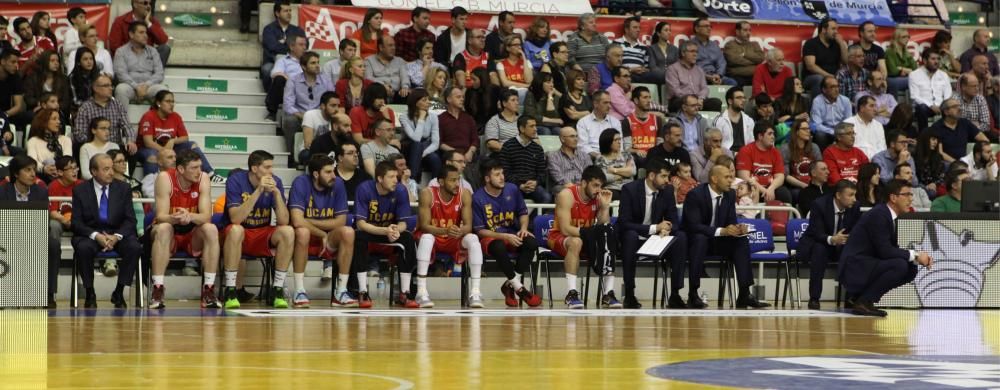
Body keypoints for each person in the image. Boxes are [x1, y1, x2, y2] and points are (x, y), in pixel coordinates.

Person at [840, 179, 933, 316]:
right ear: (893, 198)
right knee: (899, 265)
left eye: (911, 195)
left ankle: (863, 299)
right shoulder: (879, 214)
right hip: (855, 266)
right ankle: (863, 301)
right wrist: (917, 255)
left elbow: (889, 250)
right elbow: (885, 251)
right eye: (906, 195)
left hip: (867, 263)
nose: (910, 199)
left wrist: (915, 259)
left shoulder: (887, 215)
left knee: (910, 267)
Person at [683, 165, 770, 309]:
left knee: (741, 240)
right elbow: (693, 226)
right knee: (700, 239)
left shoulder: (729, 194)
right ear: (714, 179)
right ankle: (693, 294)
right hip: (696, 241)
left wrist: (738, 228)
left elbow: (730, 221)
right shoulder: (695, 195)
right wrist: (722, 231)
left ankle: (744, 294)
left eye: (731, 177)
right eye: (727, 177)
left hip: (719, 241)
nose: (731, 181)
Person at [220, 151, 296, 309]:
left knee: (288, 231)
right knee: (236, 230)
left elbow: (284, 220)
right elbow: (235, 219)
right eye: (267, 167)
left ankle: (277, 290)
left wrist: (276, 194)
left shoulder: (277, 182)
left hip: (262, 233)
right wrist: (259, 191)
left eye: (272, 167)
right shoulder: (236, 181)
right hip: (238, 235)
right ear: (254, 169)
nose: (271, 171)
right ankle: (231, 290)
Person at [149, 150, 221, 309]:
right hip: (170, 230)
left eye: (200, 167)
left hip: (192, 233)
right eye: (194, 168)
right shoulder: (165, 178)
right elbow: (160, 216)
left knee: (211, 229)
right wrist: (176, 218)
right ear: (180, 169)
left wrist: (190, 216)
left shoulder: (203, 179)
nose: (199, 171)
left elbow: (206, 216)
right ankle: (158, 290)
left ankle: (208, 290)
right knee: (163, 228)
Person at [71, 153, 141, 309]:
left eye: (112, 168)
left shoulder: (123, 188)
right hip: (91, 234)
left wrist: (116, 236)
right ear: (94, 171)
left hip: (116, 234)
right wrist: (96, 236)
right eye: (106, 169)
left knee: (134, 247)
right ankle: (90, 292)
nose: (111, 172)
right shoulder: (80, 190)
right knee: (83, 248)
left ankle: (119, 291)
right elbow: (76, 223)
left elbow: (131, 220)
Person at [288, 155, 358, 308]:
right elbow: (297, 221)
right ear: (315, 174)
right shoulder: (301, 183)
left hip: (329, 238)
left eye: (333, 171)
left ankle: (341, 291)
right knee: (302, 232)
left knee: (348, 232)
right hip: (303, 239)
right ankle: (299, 291)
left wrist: (308, 221)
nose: (333, 175)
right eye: (328, 172)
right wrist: (321, 233)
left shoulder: (338, 184)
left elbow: (340, 221)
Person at [472, 159, 543, 307]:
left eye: (502, 173)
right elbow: (480, 231)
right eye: (497, 174)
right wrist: (504, 236)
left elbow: (523, 212)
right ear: (487, 178)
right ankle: (521, 289)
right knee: (498, 246)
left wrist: (523, 228)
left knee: (531, 242)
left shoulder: (512, 189)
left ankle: (509, 286)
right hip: (491, 237)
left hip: (512, 232)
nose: (502, 177)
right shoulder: (478, 198)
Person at [617, 159, 687, 308]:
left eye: (668, 176)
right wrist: (655, 228)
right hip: (634, 238)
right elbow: (624, 223)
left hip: (656, 239)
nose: (667, 181)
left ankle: (675, 294)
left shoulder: (667, 191)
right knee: (629, 236)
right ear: (651, 176)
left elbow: (674, 221)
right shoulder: (630, 189)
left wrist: (667, 229)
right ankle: (629, 294)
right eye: (663, 176)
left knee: (680, 237)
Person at [413, 165, 483, 308]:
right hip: (434, 236)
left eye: (458, 180)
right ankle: (421, 292)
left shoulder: (465, 194)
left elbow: (469, 226)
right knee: (426, 238)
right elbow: (425, 226)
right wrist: (445, 230)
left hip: (452, 238)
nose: (457, 184)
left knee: (473, 239)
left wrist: (459, 230)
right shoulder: (427, 193)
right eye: (452, 180)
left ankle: (475, 293)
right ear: (441, 182)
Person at [354, 160, 419, 308]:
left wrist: (396, 230)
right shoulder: (364, 189)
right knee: (358, 237)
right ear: (380, 179)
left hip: (390, 232)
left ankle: (405, 292)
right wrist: (384, 231)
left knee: (408, 238)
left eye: (396, 177)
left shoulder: (401, 190)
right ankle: (362, 291)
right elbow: (360, 224)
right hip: (371, 231)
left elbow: (404, 222)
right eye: (391, 177)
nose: (396, 180)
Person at [549, 166, 616, 309]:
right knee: (576, 242)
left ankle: (608, 293)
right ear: (584, 183)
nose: (599, 189)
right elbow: (566, 229)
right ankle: (571, 293)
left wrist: (605, 207)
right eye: (595, 185)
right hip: (559, 237)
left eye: (601, 186)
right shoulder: (566, 195)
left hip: (584, 236)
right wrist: (591, 234)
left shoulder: (597, 198)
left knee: (609, 236)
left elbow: (604, 226)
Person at [0, 155, 58, 307]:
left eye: (34, 170)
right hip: (7, 236)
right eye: (27, 170)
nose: (33, 174)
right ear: (16, 174)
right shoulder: (3, 192)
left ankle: (48, 294)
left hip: (34, 234)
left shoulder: (40, 192)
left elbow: (43, 220)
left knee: (52, 245)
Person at [799, 179, 860, 310]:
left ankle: (850, 298)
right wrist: (832, 239)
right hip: (820, 242)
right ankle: (814, 298)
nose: (854, 199)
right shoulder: (819, 204)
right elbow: (816, 232)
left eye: (855, 195)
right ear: (838, 195)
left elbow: (856, 231)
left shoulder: (855, 206)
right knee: (819, 250)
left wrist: (846, 240)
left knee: (854, 253)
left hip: (842, 244)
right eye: (850, 195)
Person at [137, 91, 224, 181]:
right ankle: (151, 183)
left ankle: (210, 174)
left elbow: (185, 138)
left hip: (169, 148)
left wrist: (173, 141)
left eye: (172, 101)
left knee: (192, 145)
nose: (171, 104)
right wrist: (165, 151)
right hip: (147, 150)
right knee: (152, 155)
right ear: (158, 103)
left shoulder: (175, 116)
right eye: (168, 101)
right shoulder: (149, 116)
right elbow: (148, 142)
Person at [499, 115, 550, 203]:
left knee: (546, 197)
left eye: (535, 126)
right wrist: (520, 185)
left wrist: (535, 183)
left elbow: (542, 173)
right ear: (522, 129)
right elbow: (505, 172)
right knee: (508, 196)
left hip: (533, 186)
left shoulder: (537, 148)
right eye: (531, 126)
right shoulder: (508, 146)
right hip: (513, 185)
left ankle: (534, 217)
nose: (535, 129)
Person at [113, 22, 168, 104]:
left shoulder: (153, 51)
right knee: (120, 89)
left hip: (149, 87)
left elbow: (159, 73)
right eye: (141, 32)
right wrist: (136, 87)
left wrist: (146, 85)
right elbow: (121, 74)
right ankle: (121, 117)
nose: (145, 35)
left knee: (163, 91)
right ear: (131, 34)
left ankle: (156, 117)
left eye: (146, 32)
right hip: (130, 87)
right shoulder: (121, 52)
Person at [737, 123, 792, 203]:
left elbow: (780, 176)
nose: (773, 137)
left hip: (770, 189)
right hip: (752, 189)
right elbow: (744, 177)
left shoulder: (775, 152)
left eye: (773, 134)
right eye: (770, 134)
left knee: (784, 193)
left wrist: (771, 188)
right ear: (760, 136)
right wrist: (764, 191)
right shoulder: (745, 151)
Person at [47, 157, 83, 276]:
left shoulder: (81, 185)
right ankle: (54, 258)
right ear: (60, 172)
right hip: (61, 220)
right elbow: (52, 211)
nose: (75, 171)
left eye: (76, 167)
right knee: (53, 225)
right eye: (71, 168)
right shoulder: (54, 186)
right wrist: (65, 220)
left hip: (77, 220)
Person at [109, 0, 170, 66]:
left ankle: (152, 73)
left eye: (150, 3)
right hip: (128, 60)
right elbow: (114, 47)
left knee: (165, 49)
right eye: (145, 3)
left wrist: (148, 23)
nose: (148, 6)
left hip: (147, 59)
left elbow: (163, 40)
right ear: (135, 4)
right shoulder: (120, 21)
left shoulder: (151, 21)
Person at [438, 87, 480, 182]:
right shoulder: (440, 119)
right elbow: (440, 142)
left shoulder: (468, 118)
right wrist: (456, 153)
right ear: (449, 99)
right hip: (450, 153)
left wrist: (470, 152)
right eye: (458, 97)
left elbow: (475, 140)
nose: (462, 99)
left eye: (462, 97)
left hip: (469, 154)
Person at [260, 1, 304, 91]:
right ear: (277, 13)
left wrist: (282, 44)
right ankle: (271, 95)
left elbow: (304, 45)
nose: (289, 13)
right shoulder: (269, 29)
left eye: (290, 11)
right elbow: (272, 47)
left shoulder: (297, 30)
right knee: (266, 70)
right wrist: (291, 47)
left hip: (294, 62)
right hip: (272, 62)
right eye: (285, 11)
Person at [399, 89, 442, 182]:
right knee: (417, 145)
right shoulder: (404, 117)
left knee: (435, 158)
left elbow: (435, 143)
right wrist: (421, 118)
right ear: (415, 102)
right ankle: (412, 181)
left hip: (425, 148)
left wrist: (423, 153)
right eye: (424, 100)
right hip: (409, 147)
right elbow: (416, 138)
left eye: (428, 99)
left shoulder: (433, 117)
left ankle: (436, 184)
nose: (428, 102)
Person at [928, 98, 989, 163]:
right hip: (945, 163)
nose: (959, 109)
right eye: (955, 107)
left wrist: (974, 157)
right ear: (946, 112)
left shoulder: (965, 123)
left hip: (964, 162)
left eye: (959, 106)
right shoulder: (937, 127)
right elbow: (940, 152)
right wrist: (957, 163)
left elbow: (984, 140)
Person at [801, 18, 847, 97]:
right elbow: (810, 66)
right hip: (812, 77)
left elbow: (845, 61)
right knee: (819, 79)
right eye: (833, 29)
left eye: (837, 29)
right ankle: (817, 108)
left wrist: (841, 44)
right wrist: (828, 76)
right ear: (823, 30)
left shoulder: (836, 44)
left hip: (833, 76)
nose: (836, 32)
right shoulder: (811, 43)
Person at [266, 33, 306, 121]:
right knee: (279, 79)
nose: (304, 48)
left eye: (305, 45)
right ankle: (272, 113)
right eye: (301, 45)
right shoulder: (283, 61)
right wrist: (292, 82)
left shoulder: (309, 61)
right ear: (291, 47)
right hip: (289, 90)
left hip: (306, 90)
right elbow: (275, 73)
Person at [910, 49, 953, 132]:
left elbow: (948, 94)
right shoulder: (914, 75)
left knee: (952, 106)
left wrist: (942, 106)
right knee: (921, 108)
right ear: (925, 61)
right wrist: (931, 105)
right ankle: (924, 135)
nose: (936, 61)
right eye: (933, 59)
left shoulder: (943, 75)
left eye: (938, 59)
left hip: (941, 106)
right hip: (924, 107)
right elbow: (914, 96)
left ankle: (947, 135)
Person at [780, 118, 823, 200]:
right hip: (796, 186)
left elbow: (820, 169)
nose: (808, 131)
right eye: (804, 129)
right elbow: (786, 175)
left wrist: (814, 186)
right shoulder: (786, 149)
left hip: (814, 184)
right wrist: (804, 186)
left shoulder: (814, 147)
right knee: (801, 194)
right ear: (796, 132)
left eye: (808, 128)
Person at [622, 86, 665, 165]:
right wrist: (637, 151)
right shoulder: (627, 121)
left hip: (653, 156)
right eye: (645, 98)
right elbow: (627, 148)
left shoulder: (657, 120)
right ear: (636, 100)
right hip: (636, 157)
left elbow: (660, 145)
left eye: (649, 97)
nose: (649, 101)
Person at [576, 91, 623, 159]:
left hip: (613, 156)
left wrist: (613, 156)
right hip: (592, 157)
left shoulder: (615, 122)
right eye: (605, 103)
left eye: (610, 103)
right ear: (595, 104)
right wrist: (598, 156)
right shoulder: (583, 122)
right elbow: (582, 146)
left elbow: (620, 144)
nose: (609, 106)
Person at [22, 51, 71, 116]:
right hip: (37, 110)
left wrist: (50, 107)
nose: (56, 63)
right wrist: (43, 105)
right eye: (52, 61)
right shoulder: (33, 77)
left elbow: (66, 101)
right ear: (45, 61)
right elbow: (29, 98)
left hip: (57, 111)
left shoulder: (63, 79)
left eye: (57, 61)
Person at [689, 18, 735, 86]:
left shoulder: (714, 45)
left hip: (715, 76)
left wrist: (718, 75)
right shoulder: (689, 45)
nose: (709, 28)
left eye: (710, 26)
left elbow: (721, 63)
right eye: (706, 26)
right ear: (697, 29)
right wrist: (707, 77)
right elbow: (689, 66)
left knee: (732, 83)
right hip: (698, 77)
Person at [547, 126, 593, 194]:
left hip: (583, 186)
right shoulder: (553, 156)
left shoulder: (585, 156)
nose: (576, 139)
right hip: (564, 186)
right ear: (562, 139)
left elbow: (590, 174)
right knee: (562, 189)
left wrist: (583, 185)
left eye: (576, 136)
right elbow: (558, 177)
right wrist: (574, 187)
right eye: (572, 136)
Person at [364, 35, 410, 103]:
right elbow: (368, 78)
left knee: (408, 95)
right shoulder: (369, 61)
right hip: (378, 93)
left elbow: (405, 77)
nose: (393, 48)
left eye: (394, 45)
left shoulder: (400, 61)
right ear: (381, 47)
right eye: (390, 45)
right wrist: (382, 85)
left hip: (397, 94)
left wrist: (405, 87)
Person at [300, 92, 343, 164]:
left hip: (331, 152)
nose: (336, 109)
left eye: (338, 106)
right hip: (311, 150)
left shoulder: (337, 119)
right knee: (307, 155)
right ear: (323, 106)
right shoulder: (310, 115)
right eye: (333, 106)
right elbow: (308, 144)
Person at [810, 76, 851, 149]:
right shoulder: (817, 101)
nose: (836, 90)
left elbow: (848, 121)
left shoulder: (845, 100)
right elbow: (817, 124)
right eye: (832, 87)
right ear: (824, 90)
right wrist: (833, 132)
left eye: (837, 86)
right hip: (826, 131)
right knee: (820, 135)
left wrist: (841, 132)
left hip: (841, 131)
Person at [711, 87, 754, 153]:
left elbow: (751, 142)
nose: (743, 100)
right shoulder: (719, 120)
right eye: (739, 98)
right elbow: (715, 144)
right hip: (726, 155)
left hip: (745, 155)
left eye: (744, 98)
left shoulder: (749, 120)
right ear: (730, 101)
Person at [595, 128, 635, 199]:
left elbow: (632, 171)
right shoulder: (600, 159)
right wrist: (623, 173)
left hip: (628, 187)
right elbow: (604, 178)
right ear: (607, 141)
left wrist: (613, 170)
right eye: (616, 140)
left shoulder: (626, 154)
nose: (619, 142)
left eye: (620, 139)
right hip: (611, 189)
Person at [723, 21, 764, 87]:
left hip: (754, 75)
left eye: (749, 30)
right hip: (738, 76)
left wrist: (744, 55)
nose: (748, 33)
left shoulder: (755, 44)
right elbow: (733, 60)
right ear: (737, 32)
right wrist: (754, 62)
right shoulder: (730, 45)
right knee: (738, 83)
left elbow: (761, 58)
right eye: (745, 30)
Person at [484, 89, 521, 155]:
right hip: (502, 155)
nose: (517, 103)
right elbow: (491, 143)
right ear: (504, 103)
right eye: (513, 100)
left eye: (517, 100)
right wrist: (512, 151)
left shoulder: (523, 119)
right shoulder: (494, 121)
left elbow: (535, 139)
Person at [884, 28, 916, 94]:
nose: (907, 39)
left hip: (905, 77)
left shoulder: (906, 52)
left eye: (908, 37)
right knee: (915, 80)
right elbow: (893, 71)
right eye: (904, 37)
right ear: (896, 38)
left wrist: (902, 69)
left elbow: (915, 69)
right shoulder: (890, 51)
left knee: (917, 80)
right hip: (892, 79)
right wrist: (908, 71)